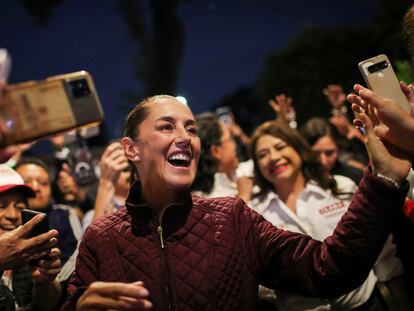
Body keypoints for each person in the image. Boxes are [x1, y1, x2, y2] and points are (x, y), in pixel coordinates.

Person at [62, 95, 410, 311]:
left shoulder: (231, 218)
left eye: (192, 129)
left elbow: (329, 269)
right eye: (167, 127)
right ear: (131, 149)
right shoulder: (99, 236)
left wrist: (384, 179)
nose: (185, 137)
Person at [248, 120, 406, 310]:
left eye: (280, 147)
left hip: (366, 305)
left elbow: (376, 242)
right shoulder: (253, 212)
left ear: (298, 149)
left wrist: (396, 288)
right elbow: (257, 278)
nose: (273, 157)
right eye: (262, 155)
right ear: (257, 165)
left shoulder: (340, 187)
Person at [0, 165, 62, 310]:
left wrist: (44, 281)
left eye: (20, 207)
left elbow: (46, 306)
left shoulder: (29, 255)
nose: (13, 215)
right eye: (1, 206)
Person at [14, 158, 83, 282]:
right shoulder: (7, 219)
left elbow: (77, 254)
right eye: (27, 182)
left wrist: (54, 279)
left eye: (43, 183)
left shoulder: (64, 214)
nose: (35, 188)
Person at [300, 117, 364, 184]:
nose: (323, 161)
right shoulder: (298, 180)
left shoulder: (356, 177)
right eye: (315, 154)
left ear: (338, 147)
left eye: (329, 153)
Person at [82, 141, 130, 228]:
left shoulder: (147, 200)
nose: (129, 173)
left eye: (130, 166)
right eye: (125, 169)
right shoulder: (91, 216)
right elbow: (94, 239)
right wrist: (106, 181)